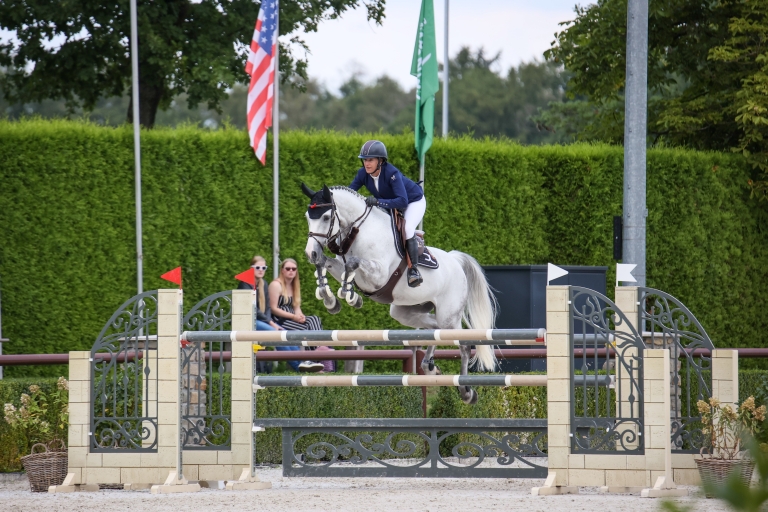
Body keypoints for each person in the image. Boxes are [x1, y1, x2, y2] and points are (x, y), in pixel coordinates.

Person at [350, 140, 426, 287]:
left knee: (407, 228)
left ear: (380, 161)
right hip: (392, 204)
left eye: (370, 160)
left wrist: (378, 202)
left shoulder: (392, 174)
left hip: (413, 202)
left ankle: (414, 271)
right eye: (365, 160)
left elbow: (402, 201)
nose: (367, 164)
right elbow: (350, 192)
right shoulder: (362, 174)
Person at [268, 258, 325, 372]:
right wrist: (294, 317)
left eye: (294, 269)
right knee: (305, 329)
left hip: (291, 318)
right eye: (288, 269)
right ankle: (314, 356)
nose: (291, 271)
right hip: (279, 320)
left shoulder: (294, 285)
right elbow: (273, 309)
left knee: (314, 319)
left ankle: (317, 350)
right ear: (282, 270)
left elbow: (296, 307)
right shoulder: (276, 285)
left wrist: (301, 316)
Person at [237, 255, 284, 373]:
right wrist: (270, 323)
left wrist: (269, 321)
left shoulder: (264, 284)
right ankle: (297, 365)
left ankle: (302, 362)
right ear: (251, 268)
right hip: (247, 322)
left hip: (260, 321)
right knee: (276, 334)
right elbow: (253, 309)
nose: (261, 270)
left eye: (264, 268)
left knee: (284, 333)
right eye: (257, 267)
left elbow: (267, 307)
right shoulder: (244, 284)